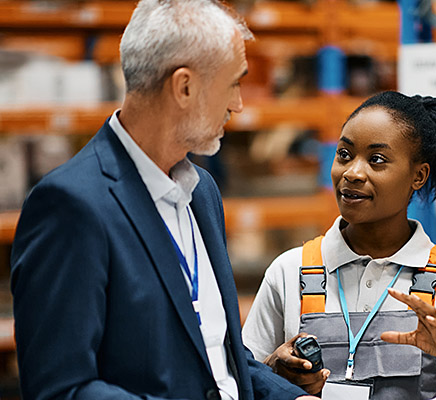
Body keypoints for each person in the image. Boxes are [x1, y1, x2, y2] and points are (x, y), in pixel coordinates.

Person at [10, 1, 318, 399]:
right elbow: (61, 389)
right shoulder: (71, 206)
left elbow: (215, 358)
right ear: (184, 87)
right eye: (234, 83)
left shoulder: (202, 193)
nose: (238, 104)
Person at [242, 91, 436, 399]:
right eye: (344, 155)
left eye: (376, 160)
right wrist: (274, 370)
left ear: (418, 175)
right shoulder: (289, 271)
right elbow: (242, 381)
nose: (352, 173)